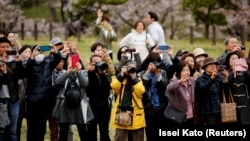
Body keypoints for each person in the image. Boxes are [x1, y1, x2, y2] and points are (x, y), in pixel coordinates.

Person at [25, 44, 61, 141]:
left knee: (41, 129)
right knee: (32, 129)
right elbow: (26, 70)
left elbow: (57, 60)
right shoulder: (30, 64)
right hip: (32, 102)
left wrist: (56, 52)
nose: (40, 54)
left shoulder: (48, 64)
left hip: (44, 102)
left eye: (42, 52)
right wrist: (32, 57)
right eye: (38, 51)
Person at [53, 52, 91, 141]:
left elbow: (85, 83)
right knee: (63, 131)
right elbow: (57, 82)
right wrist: (68, 72)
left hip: (80, 104)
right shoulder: (63, 72)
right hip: (65, 104)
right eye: (69, 59)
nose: (71, 60)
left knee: (82, 131)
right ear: (66, 61)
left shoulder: (83, 72)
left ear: (78, 60)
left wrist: (79, 71)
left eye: (74, 59)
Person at [110, 60, 146, 141]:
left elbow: (141, 91)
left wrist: (134, 78)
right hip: (121, 113)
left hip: (136, 113)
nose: (130, 70)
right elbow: (114, 86)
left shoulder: (138, 80)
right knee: (120, 137)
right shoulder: (121, 79)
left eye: (133, 68)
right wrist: (122, 74)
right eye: (129, 67)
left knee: (138, 137)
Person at [0, 37, 24, 141]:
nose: (5, 49)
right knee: (1, 129)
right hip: (1, 100)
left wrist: (18, 62)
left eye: (7, 47)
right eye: (2, 47)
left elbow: (21, 76)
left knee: (13, 130)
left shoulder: (14, 60)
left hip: (13, 99)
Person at [140, 52, 168, 141]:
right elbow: (142, 88)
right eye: (153, 62)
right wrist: (148, 71)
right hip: (148, 106)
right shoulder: (144, 73)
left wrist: (157, 74)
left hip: (161, 106)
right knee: (150, 132)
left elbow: (164, 87)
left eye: (157, 62)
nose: (155, 64)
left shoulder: (163, 72)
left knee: (160, 132)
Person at [195, 57, 228, 125]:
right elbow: (203, 88)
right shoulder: (200, 79)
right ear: (205, 68)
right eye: (211, 65)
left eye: (214, 65)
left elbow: (225, 90)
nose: (213, 66)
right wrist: (211, 78)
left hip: (221, 109)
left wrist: (225, 79)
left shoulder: (218, 78)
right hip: (209, 111)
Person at [86, 54, 112, 141]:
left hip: (104, 108)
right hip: (91, 108)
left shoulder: (104, 74)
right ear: (91, 63)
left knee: (104, 133)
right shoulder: (87, 74)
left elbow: (108, 88)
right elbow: (88, 88)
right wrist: (90, 72)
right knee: (91, 133)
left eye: (100, 62)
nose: (98, 65)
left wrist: (102, 75)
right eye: (96, 63)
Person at [166, 61, 196, 126]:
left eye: (188, 70)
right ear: (179, 72)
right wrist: (180, 81)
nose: (186, 72)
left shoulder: (192, 80)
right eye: (184, 71)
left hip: (190, 114)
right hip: (178, 115)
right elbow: (169, 88)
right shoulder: (174, 80)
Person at [224, 52, 250, 125]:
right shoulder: (226, 73)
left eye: (237, 59)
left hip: (245, 104)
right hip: (232, 105)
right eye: (233, 59)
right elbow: (226, 87)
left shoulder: (244, 72)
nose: (235, 61)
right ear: (228, 62)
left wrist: (247, 71)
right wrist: (232, 73)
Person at [16, 44, 32, 141]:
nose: (27, 54)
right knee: (17, 125)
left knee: (31, 126)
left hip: (30, 98)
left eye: (29, 52)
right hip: (19, 97)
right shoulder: (17, 64)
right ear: (21, 53)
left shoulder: (34, 64)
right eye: (25, 51)